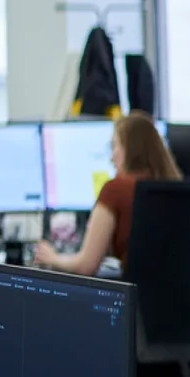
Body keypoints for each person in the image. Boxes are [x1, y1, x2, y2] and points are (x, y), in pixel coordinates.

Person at [32, 114, 179, 275]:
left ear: (130, 150)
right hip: (185, 298)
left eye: (115, 146)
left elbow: (86, 266)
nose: (111, 157)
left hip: (136, 297)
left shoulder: (115, 189)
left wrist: (53, 258)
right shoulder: (178, 190)